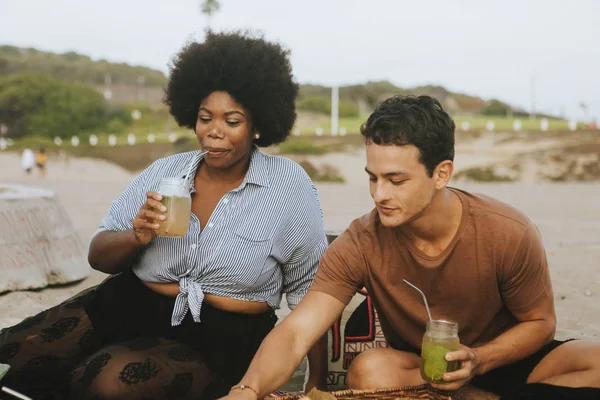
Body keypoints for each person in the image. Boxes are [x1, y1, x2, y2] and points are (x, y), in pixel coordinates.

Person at [0, 31, 328, 400]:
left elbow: (310, 294)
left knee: (107, 382)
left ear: (258, 126)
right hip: (130, 303)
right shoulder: (164, 173)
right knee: (11, 355)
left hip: (222, 337)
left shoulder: (288, 186)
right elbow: (99, 256)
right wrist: (135, 236)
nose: (214, 133)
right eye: (205, 118)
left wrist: (318, 381)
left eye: (232, 121)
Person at [221, 95, 600, 400]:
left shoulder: (508, 232)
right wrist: (248, 389)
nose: (379, 194)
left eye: (396, 180)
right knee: (368, 371)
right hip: (425, 375)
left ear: (441, 173)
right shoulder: (361, 242)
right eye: (373, 178)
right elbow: (297, 332)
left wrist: (480, 359)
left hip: (510, 362)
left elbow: (540, 323)